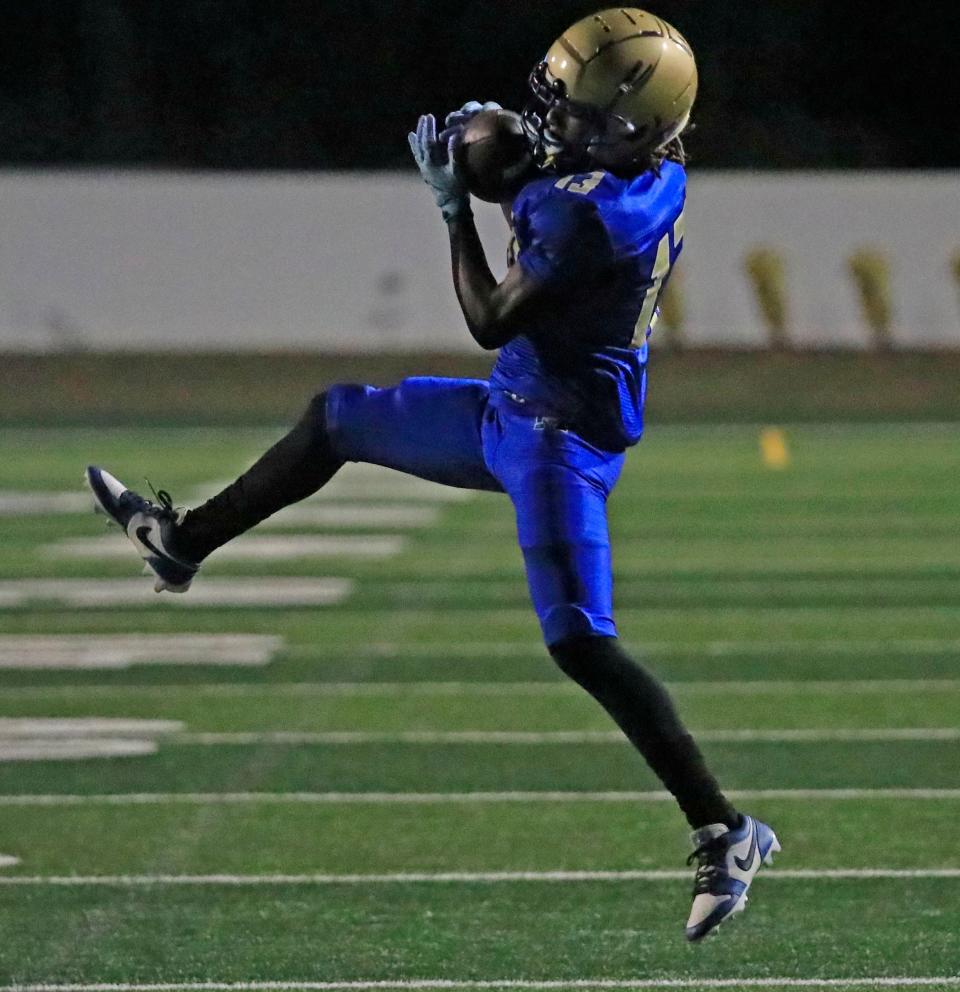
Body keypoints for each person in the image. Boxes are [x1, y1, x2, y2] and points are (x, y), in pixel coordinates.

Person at [86, 7, 779, 941]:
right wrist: (514, 168)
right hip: (510, 411)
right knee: (336, 418)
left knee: (578, 640)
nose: (555, 121)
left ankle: (726, 829)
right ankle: (182, 544)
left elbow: (490, 318)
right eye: (557, 101)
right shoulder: (645, 169)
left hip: (559, 441)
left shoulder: (590, 216)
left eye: (579, 114)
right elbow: (555, 184)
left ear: (633, 128)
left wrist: (457, 204)